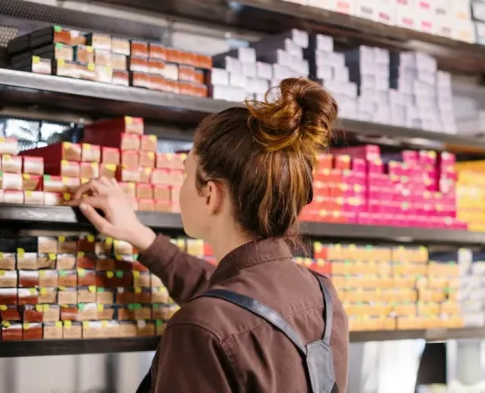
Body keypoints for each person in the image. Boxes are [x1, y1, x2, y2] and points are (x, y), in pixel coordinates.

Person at [71, 78, 348, 392]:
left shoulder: (199, 328)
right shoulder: (323, 297)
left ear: (211, 195)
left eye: (187, 173)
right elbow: (238, 302)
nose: (182, 185)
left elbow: (225, 314)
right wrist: (141, 237)